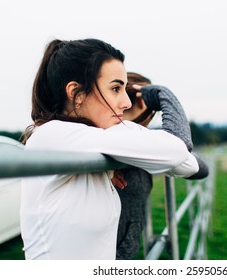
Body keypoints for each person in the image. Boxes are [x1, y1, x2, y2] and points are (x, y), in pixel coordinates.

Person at [20, 38, 199, 260]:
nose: (127, 103)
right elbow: (178, 152)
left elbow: (188, 164)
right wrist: (163, 94)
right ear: (76, 93)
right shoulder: (51, 135)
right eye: (115, 88)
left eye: (126, 90)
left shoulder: (98, 137)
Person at [115, 72, 209, 260]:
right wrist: (164, 94)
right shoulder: (127, 137)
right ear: (144, 103)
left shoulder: (123, 136)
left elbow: (198, 166)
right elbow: (183, 150)